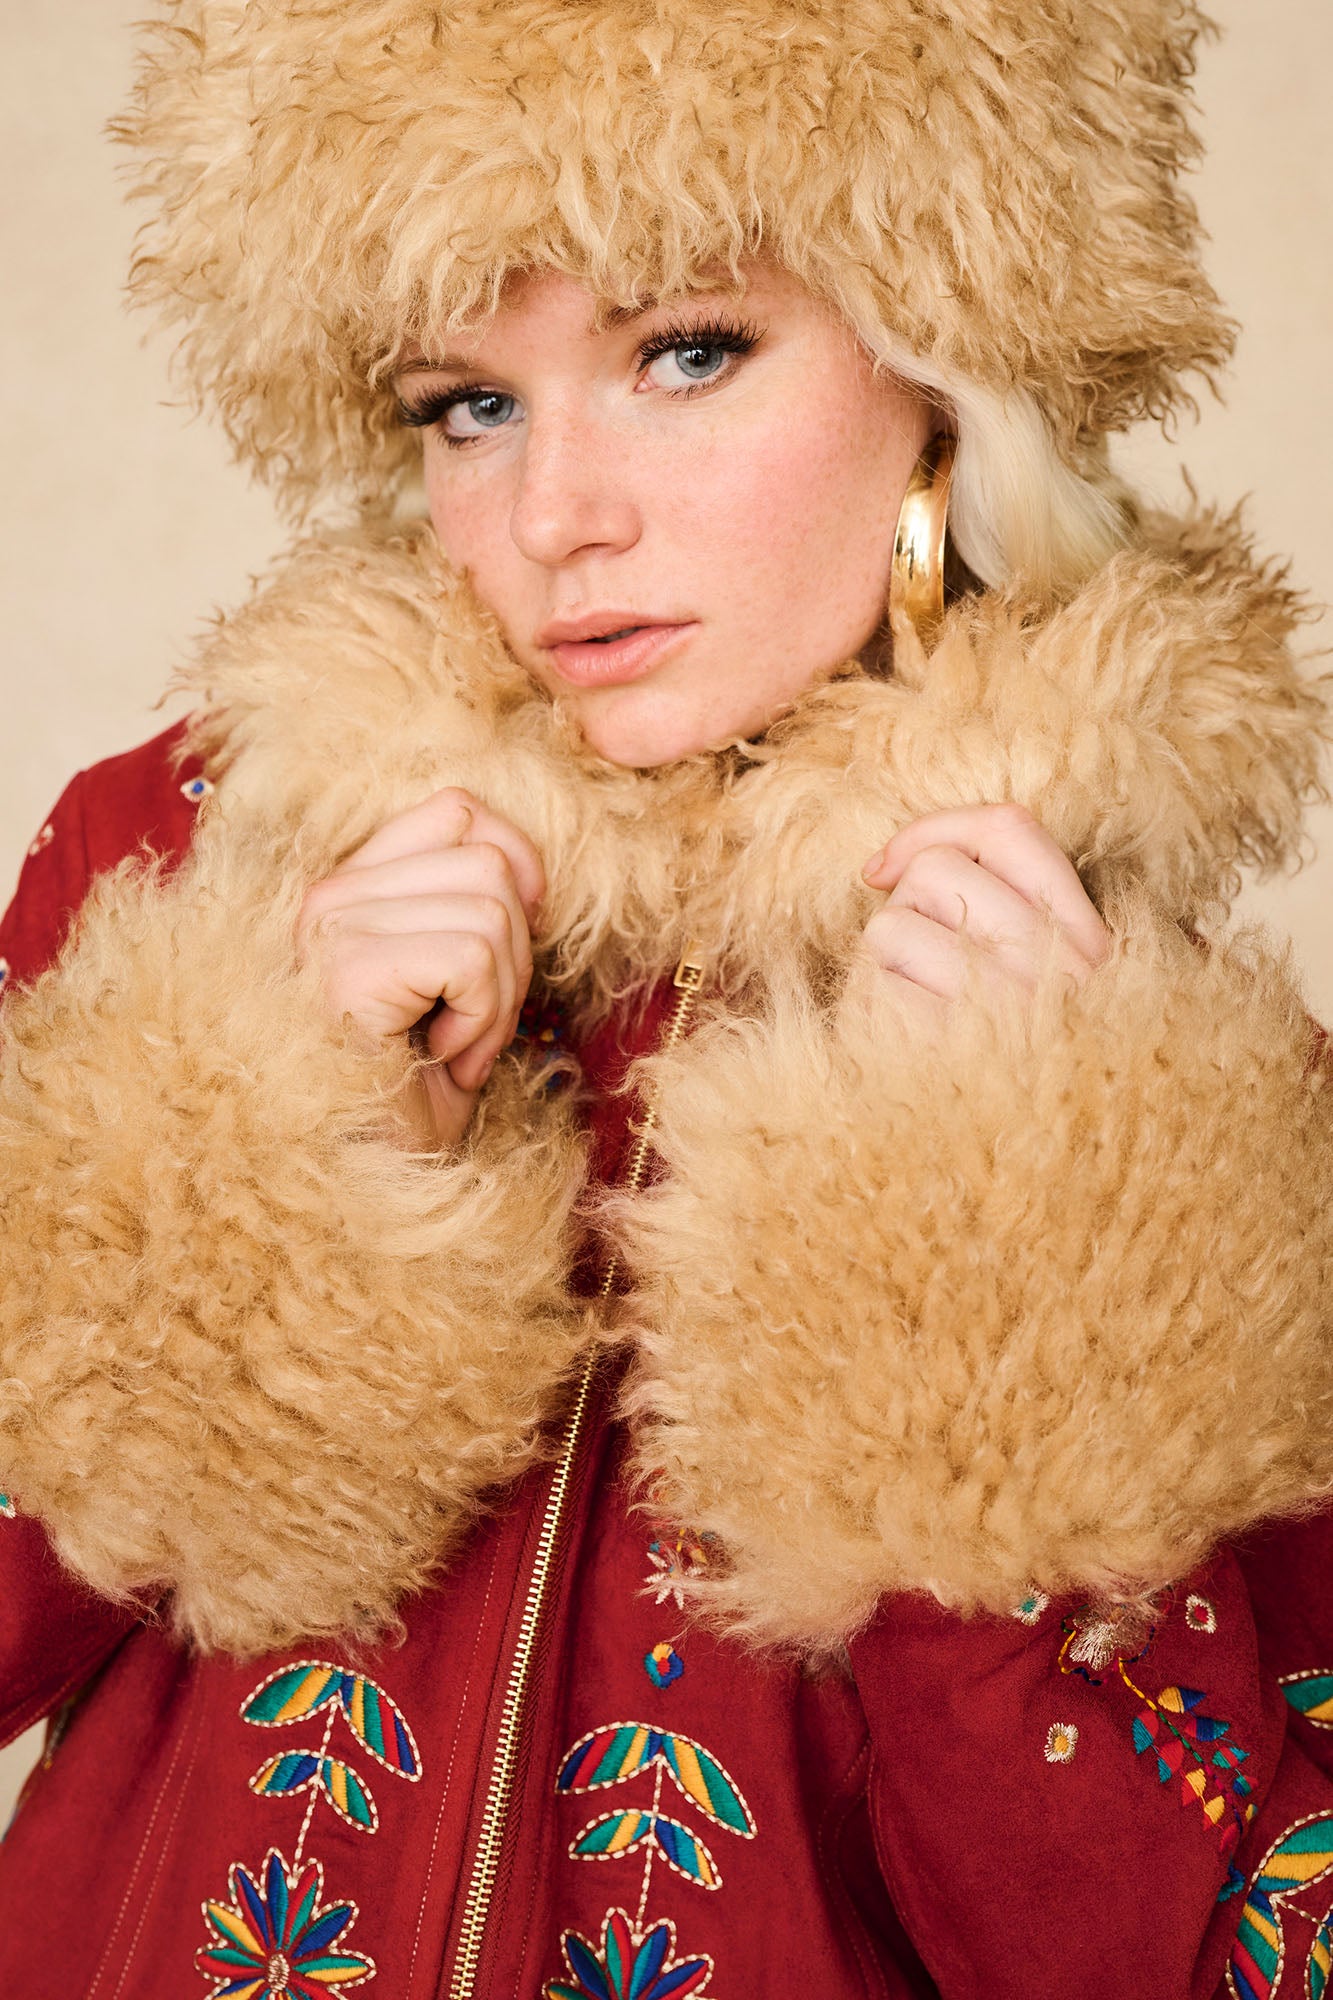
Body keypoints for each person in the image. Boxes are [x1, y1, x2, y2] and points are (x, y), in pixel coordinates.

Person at [2, 3, 1332, 1995]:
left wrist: (1008, 1304)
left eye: (682, 352)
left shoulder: (1166, 1080)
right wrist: (243, 1183)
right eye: (467, 401)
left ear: (946, 366)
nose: (556, 518)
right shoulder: (193, 882)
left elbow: (1180, 1952)